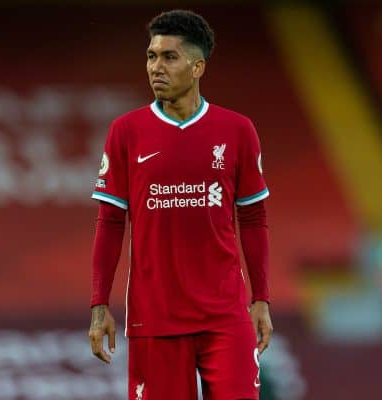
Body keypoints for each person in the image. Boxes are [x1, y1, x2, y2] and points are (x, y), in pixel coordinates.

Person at [88, 9, 273, 400]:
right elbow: (110, 221)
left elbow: (253, 217)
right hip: (154, 317)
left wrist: (261, 298)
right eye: (151, 56)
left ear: (197, 67)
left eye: (169, 57)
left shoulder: (237, 130)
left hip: (225, 315)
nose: (156, 66)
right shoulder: (126, 131)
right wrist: (99, 304)